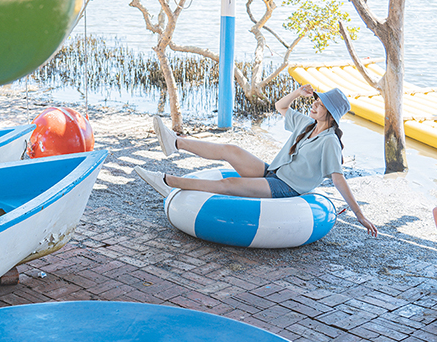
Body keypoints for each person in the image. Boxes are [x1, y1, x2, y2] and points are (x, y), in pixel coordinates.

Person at [134, 85, 378, 237]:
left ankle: (169, 182)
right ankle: (174, 142)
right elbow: (280, 106)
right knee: (231, 149)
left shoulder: (329, 141)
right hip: (272, 173)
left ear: (331, 114)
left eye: (319, 104)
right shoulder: (307, 124)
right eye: (315, 100)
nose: (314, 104)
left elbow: (338, 179)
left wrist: (359, 213)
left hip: (286, 187)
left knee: (229, 186)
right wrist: (297, 92)